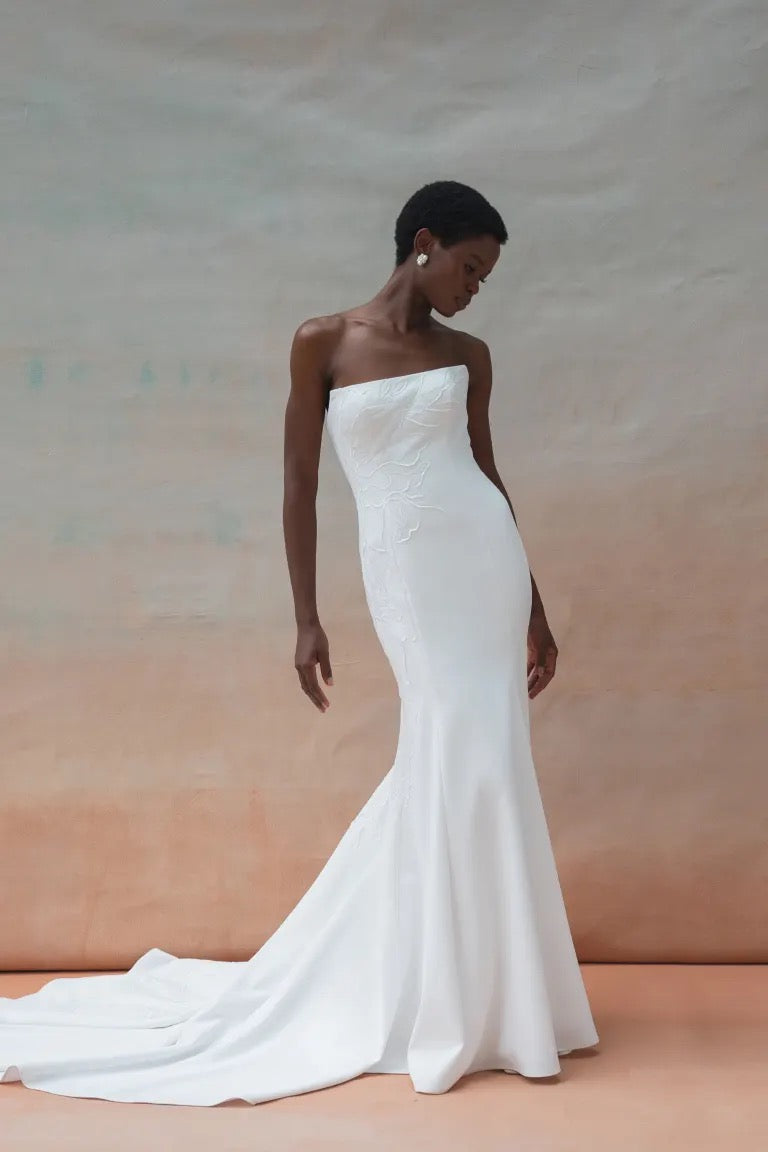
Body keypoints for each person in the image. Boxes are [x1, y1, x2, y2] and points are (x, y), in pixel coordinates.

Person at [0, 181, 598, 1107]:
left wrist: (535, 606)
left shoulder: (471, 356)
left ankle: (494, 994)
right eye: (470, 269)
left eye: (485, 277)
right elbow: (297, 480)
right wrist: (305, 616)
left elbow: (488, 475)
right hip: (405, 570)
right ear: (424, 244)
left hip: (483, 563)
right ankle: (443, 985)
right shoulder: (324, 341)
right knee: (446, 745)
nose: (476, 290)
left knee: (485, 756)